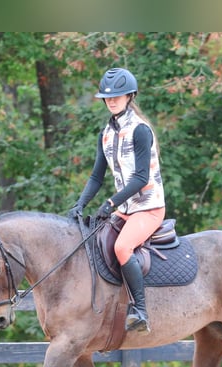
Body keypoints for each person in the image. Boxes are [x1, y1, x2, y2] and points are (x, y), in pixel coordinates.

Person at [68, 67, 166, 333]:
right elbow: (96, 176)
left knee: (122, 248)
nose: (111, 100)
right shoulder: (106, 134)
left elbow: (141, 178)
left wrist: (110, 204)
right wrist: (80, 204)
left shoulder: (140, 130)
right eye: (107, 97)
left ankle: (140, 311)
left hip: (148, 207)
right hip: (124, 209)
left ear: (130, 96)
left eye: (118, 96)